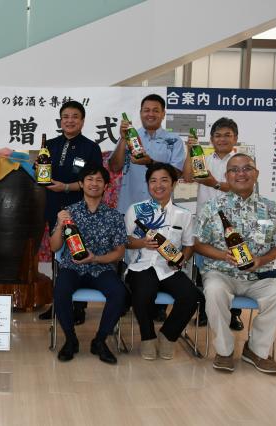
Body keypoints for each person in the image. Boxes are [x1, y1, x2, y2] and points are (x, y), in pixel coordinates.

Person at [194, 153, 276, 374]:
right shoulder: (212, 207)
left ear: (256, 173)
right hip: (221, 272)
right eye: (234, 170)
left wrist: (261, 260)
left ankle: (256, 350)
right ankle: (224, 351)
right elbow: (198, 244)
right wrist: (223, 255)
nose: (241, 174)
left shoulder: (272, 208)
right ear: (227, 176)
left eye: (247, 168)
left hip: (258, 276)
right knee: (214, 291)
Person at [110, 93, 186, 322]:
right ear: (141, 113)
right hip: (130, 205)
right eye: (146, 110)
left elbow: (177, 172)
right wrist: (122, 139)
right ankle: (125, 299)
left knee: (159, 251)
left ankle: (158, 305)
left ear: (163, 114)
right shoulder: (131, 136)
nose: (150, 114)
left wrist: (150, 162)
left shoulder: (173, 140)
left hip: (161, 209)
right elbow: (114, 166)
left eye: (155, 110)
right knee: (125, 253)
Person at [50, 165, 126, 364]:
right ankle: (70, 339)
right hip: (72, 267)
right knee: (60, 290)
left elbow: (119, 253)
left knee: (119, 292)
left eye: (99, 180)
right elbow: (54, 246)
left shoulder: (114, 216)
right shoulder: (68, 212)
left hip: (101, 267)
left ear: (106, 186)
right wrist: (59, 225)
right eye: (90, 179)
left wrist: (95, 258)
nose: (94, 184)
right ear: (82, 184)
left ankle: (100, 341)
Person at [125, 163, 201, 360]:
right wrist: (142, 242)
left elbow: (189, 245)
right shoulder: (135, 210)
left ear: (174, 184)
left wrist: (182, 259)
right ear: (148, 185)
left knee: (192, 296)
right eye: (153, 181)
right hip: (141, 266)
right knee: (144, 292)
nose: (158, 185)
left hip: (169, 268)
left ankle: (168, 335)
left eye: (164, 180)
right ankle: (147, 337)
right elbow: (125, 242)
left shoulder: (184, 215)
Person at [38, 100, 103, 323]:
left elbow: (94, 181)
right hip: (53, 207)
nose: (70, 120)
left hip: (81, 209)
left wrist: (66, 187)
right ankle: (58, 303)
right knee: (57, 256)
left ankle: (79, 307)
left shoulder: (90, 148)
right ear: (60, 120)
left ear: (82, 121)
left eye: (75, 116)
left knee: (78, 253)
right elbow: (42, 175)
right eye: (65, 117)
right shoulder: (50, 145)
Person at [183, 117, 243, 330]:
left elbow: (242, 188)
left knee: (235, 267)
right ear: (211, 139)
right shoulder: (204, 159)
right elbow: (187, 177)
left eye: (227, 135)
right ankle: (204, 312)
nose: (222, 139)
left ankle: (234, 314)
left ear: (235, 138)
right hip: (206, 224)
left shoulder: (242, 162)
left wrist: (214, 183)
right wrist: (190, 151)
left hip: (233, 224)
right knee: (203, 269)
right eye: (218, 135)